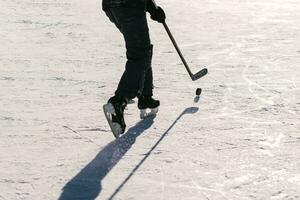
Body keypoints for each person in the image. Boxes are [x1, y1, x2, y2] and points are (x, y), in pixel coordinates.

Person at [102, 0, 166, 138]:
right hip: (128, 5)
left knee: (143, 49)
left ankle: (145, 96)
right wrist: (152, 8)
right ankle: (119, 101)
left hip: (114, 6)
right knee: (140, 53)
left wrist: (151, 8)